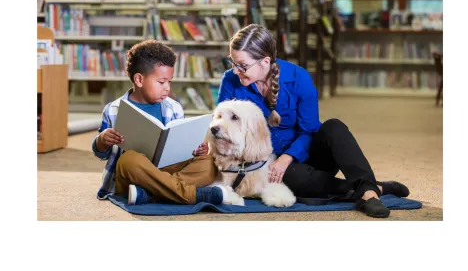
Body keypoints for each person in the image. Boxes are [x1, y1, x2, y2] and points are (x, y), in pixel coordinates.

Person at [205, 24, 410, 218]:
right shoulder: (230, 80)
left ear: (264, 62)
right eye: (233, 63)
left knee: (334, 127)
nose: (236, 71)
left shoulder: (299, 77)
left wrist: (286, 158)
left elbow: (309, 131)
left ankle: (368, 191)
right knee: (292, 179)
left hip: (306, 154)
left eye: (242, 65)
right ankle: (372, 189)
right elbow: (224, 127)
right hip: (265, 163)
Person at [92, 40, 229, 206]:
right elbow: (101, 153)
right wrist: (102, 140)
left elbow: (181, 149)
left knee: (209, 163)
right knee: (129, 160)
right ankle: (190, 194)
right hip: (134, 174)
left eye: (169, 82)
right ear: (139, 80)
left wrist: (199, 149)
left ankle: (149, 195)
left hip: (165, 170)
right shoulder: (113, 109)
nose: (167, 88)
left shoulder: (174, 108)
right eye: (161, 82)